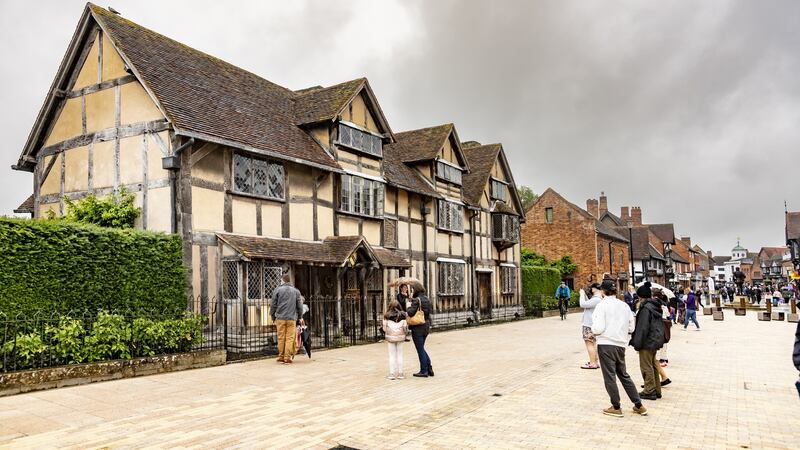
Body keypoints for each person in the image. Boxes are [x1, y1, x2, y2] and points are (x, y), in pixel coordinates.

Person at [591, 279, 647, 418]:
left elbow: (598, 328)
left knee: (609, 376)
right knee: (623, 374)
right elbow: (631, 327)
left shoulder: (601, 305)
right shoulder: (624, 306)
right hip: (620, 344)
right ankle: (638, 405)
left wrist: (593, 330)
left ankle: (616, 406)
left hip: (606, 343)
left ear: (603, 291)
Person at [630, 282, 665, 401]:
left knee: (646, 366)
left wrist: (637, 343)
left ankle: (649, 390)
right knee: (653, 365)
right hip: (655, 339)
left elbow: (642, 328)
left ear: (640, 296)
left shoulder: (645, 308)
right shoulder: (654, 305)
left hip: (647, 341)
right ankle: (656, 390)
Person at [270, 273, 304, 365]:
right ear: (289, 280)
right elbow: (300, 306)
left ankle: (281, 356)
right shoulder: (296, 291)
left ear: (282, 280)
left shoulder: (277, 290)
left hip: (280, 318)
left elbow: (273, 305)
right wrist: (300, 317)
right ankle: (287, 358)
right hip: (291, 318)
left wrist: (273, 317)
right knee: (290, 338)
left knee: (281, 337)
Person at [406, 281, 434, 378]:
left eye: (412, 289)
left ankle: (424, 371)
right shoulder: (427, 299)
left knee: (420, 349)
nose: (412, 291)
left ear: (416, 290)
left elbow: (410, 313)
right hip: (426, 325)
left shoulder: (416, 300)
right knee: (421, 348)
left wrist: (408, 305)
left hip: (418, 327)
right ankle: (429, 367)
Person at [382, 300, 408, 380]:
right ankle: (400, 374)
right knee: (400, 355)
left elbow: (384, 328)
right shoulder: (404, 315)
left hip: (390, 338)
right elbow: (405, 328)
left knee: (391, 355)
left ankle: (391, 374)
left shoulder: (386, 315)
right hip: (400, 338)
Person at [579, 283, 602, 369]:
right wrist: (584, 295)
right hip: (593, 324)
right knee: (593, 343)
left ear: (595, 289)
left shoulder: (596, 299)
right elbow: (587, 303)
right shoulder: (598, 299)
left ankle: (593, 363)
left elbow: (582, 304)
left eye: (592, 288)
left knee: (589, 343)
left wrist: (581, 294)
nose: (591, 289)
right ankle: (595, 361)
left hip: (589, 324)